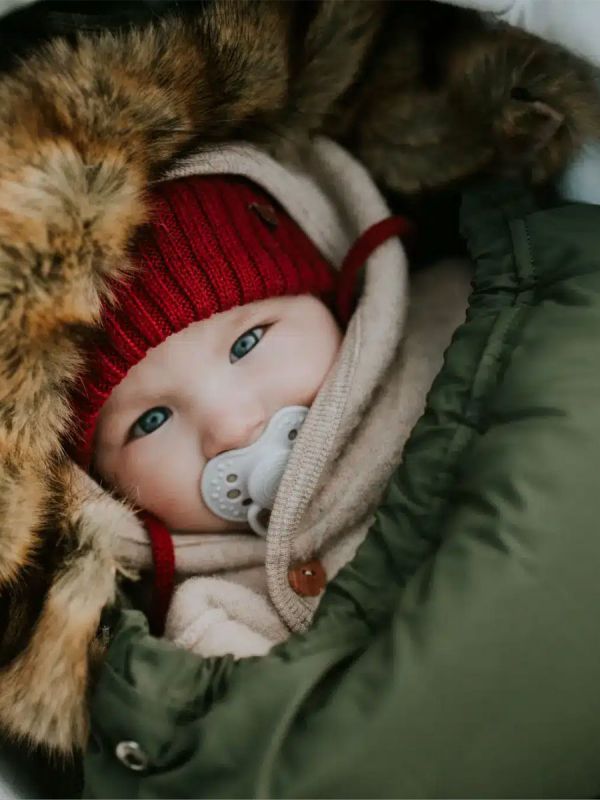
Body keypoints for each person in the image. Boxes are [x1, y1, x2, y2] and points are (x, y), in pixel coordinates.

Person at [69, 140, 465, 659]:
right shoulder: (204, 619)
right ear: (100, 485)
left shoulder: (461, 335)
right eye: (152, 420)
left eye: (247, 342)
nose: (231, 428)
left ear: (330, 303)